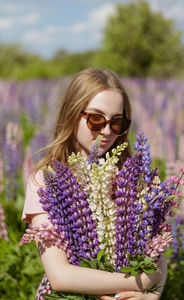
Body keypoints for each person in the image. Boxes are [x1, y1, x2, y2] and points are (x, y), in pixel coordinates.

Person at [22, 68, 167, 300]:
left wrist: (152, 294)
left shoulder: (130, 177)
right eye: (96, 119)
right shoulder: (46, 179)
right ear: (72, 114)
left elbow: (158, 254)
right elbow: (60, 276)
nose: (107, 131)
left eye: (117, 122)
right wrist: (142, 281)